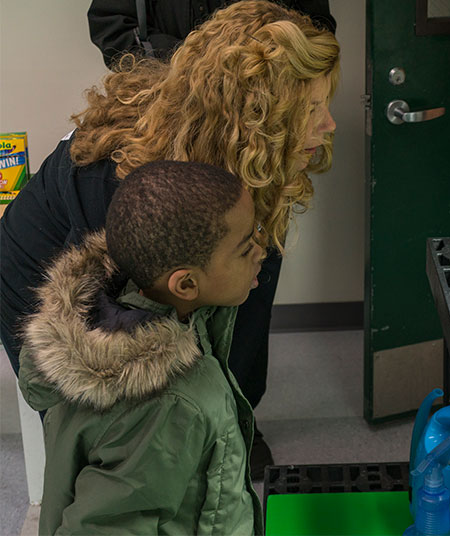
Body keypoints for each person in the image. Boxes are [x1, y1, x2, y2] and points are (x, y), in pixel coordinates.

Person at [0, 0, 338, 479]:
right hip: (48, 274)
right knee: (119, 446)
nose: (330, 126)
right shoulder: (139, 191)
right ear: (254, 119)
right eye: (310, 110)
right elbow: (110, 356)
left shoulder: (227, 149)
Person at [18, 160, 266, 535]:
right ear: (185, 285)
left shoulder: (164, 307)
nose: (261, 251)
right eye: (246, 247)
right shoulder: (164, 407)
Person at [87, 0, 336, 69]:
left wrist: (259, 63)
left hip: (260, 126)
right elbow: (111, 28)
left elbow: (317, 32)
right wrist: (198, 63)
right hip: (168, 123)